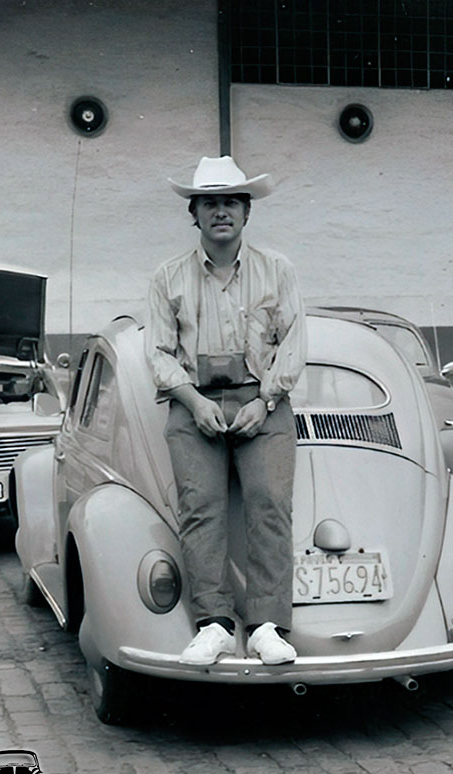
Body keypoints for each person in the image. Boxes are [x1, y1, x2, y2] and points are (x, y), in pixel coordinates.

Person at [146, 156, 306, 666]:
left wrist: (266, 400)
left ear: (246, 212)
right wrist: (193, 402)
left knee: (270, 503)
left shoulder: (277, 270)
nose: (221, 212)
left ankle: (267, 627)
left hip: (263, 401)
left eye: (231, 203)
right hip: (193, 403)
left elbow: (294, 344)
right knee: (201, 508)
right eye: (210, 203)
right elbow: (158, 353)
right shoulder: (168, 277)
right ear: (193, 213)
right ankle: (213, 623)